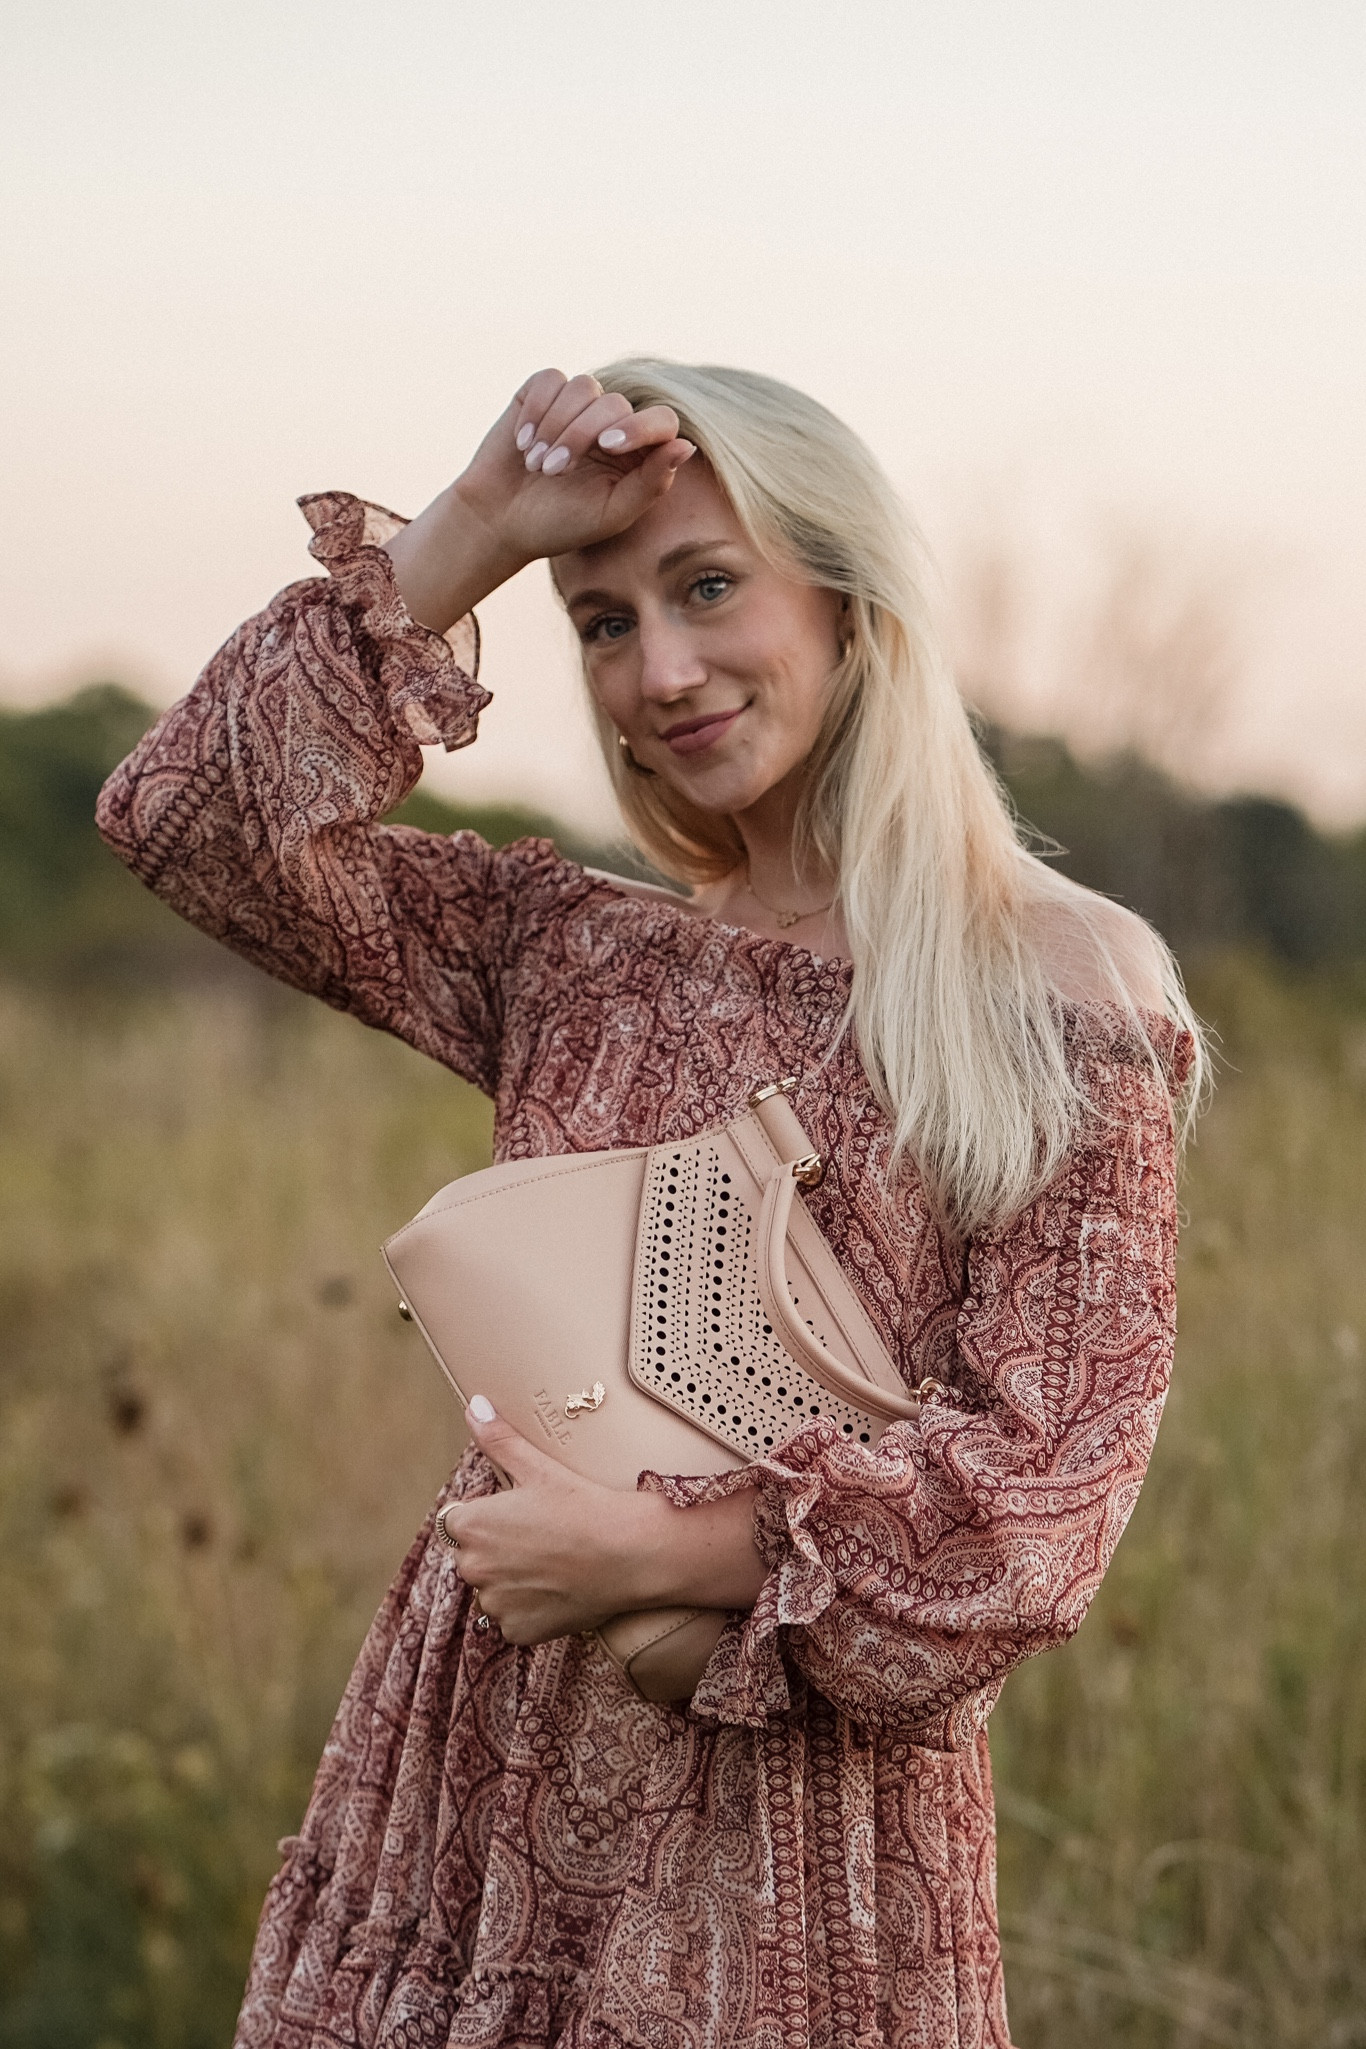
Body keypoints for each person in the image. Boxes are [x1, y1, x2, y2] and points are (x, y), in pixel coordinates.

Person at [97, 361, 1202, 2049]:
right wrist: (473, 528)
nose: (660, 669)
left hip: (789, 1852)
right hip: (468, 1796)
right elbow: (196, 821)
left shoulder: (1057, 991)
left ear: (844, 594)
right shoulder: (575, 949)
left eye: (704, 588)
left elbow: (1042, 1498)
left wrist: (659, 1549)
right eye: (601, 621)